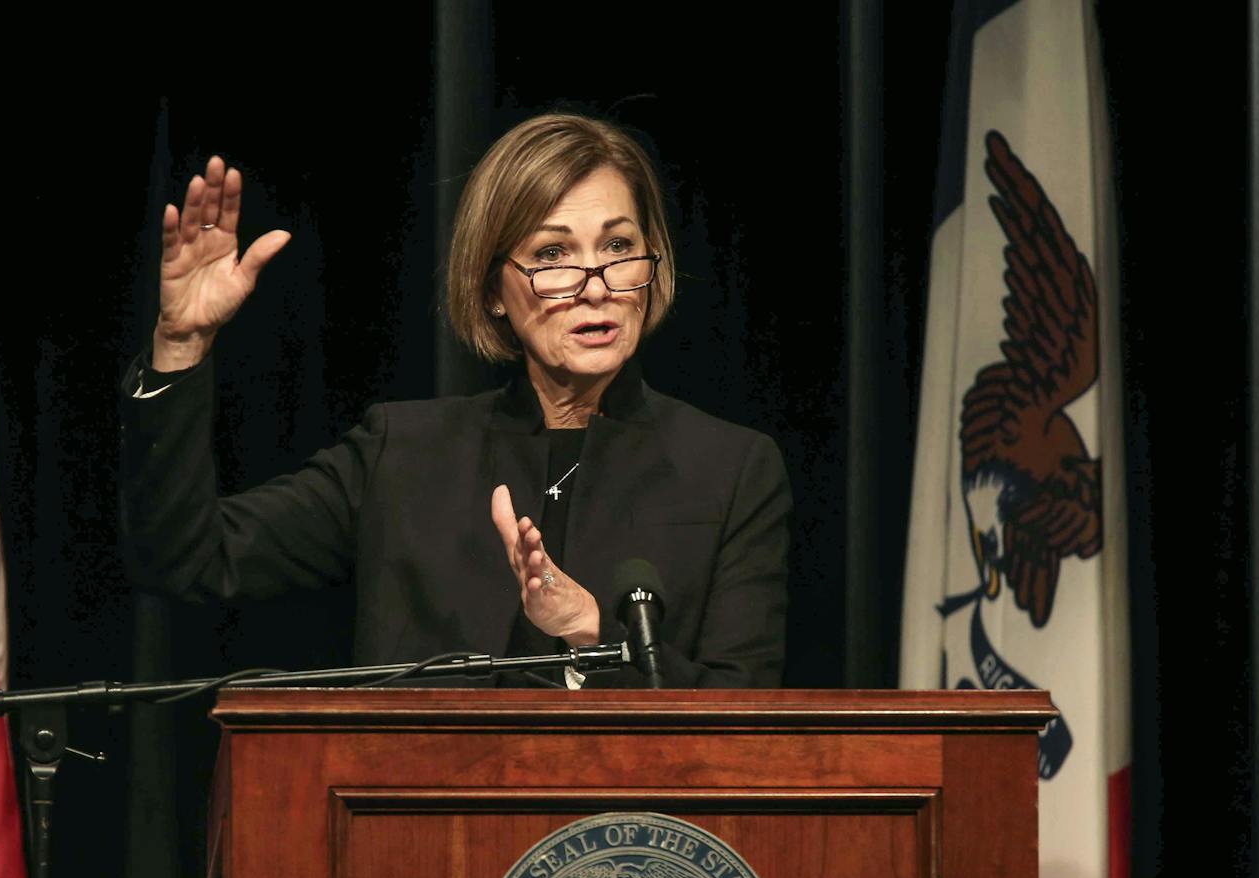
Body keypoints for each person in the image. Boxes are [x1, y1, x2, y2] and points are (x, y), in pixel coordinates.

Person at [120, 113, 791, 688]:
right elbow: (188, 557)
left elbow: (750, 721)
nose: (595, 284)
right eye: (554, 253)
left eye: (618, 246)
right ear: (494, 289)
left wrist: (594, 632)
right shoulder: (403, 454)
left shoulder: (729, 471)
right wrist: (181, 344)